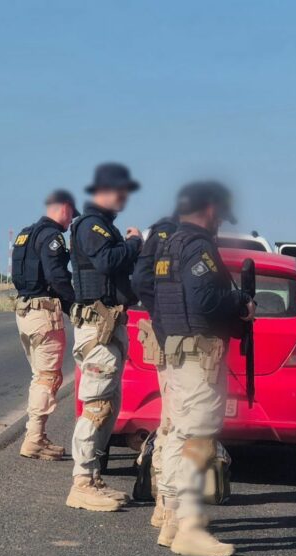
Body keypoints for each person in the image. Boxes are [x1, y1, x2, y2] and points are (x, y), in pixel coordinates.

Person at [153, 181, 254, 556]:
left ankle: (175, 519)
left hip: (179, 352)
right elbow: (206, 300)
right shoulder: (198, 247)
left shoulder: (168, 245)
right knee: (197, 440)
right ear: (209, 209)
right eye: (220, 217)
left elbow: (154, 300)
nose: (220, 225)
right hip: (198, 357)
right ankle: (190, 528)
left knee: (181, 436)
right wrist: (240, 302)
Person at [66, 163, 143, 512]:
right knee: (96, 406)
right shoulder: (91, 226)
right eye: (119, 191)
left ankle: (93, 477)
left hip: (109, 326)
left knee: (108, 406)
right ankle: (81, 482)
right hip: (97, 328)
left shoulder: (103, 226)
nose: (124, 197)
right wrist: (133, 243)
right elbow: (108, 263)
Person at [11, 190, 77, 461]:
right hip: (43, 312)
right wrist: (75, 306)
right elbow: (58, 277)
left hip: (25, 311)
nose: (72, 221)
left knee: (39, 376)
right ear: (64, 208)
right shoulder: (52, 237)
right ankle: (34, 439)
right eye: (72, 214)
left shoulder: (25, 234)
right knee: (47, 378)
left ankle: (37, 436)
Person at [131, 212, 179, 529]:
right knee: (175, 426)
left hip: (179, 342)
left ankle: (166, 505)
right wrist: (163, 318)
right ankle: (166, 506)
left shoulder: (169, 235)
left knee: (172, 423)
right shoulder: (173, 236)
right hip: (178, 344)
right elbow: (142, 281)